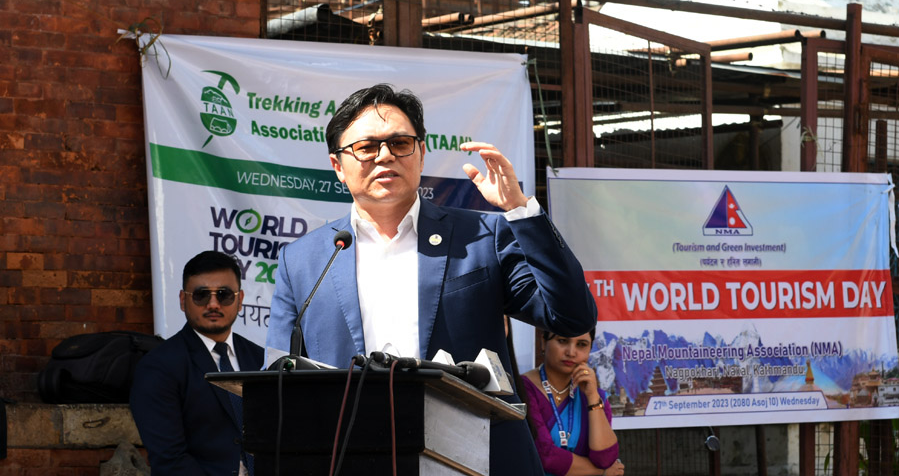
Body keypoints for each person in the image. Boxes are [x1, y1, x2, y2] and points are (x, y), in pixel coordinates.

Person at [266, 83, 598, 475]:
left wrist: (520, 211)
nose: (385, 156)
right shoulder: (302, 260)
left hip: (474, 458)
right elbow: (275, 383)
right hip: (349, 459)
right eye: (366, 147)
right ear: (338, 166)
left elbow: (571, 316)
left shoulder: (483, 236)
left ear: (421, 154)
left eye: (399, 143)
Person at [130, 251, 264, 475]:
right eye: (201, 295)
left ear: (240, 300)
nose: (213, 304)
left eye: (224, 295)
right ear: (183, 300)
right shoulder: (158, 366)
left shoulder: (260, 359)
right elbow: (169, 458)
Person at [522, 329, 623, 476]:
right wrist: (601, 472)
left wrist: (592, 398)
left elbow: (605, 458)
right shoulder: (523, 390)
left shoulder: (596, 397)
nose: (571, 352)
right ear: (543, 342)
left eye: (581, 344)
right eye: (562, 341)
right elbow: (544, 456)